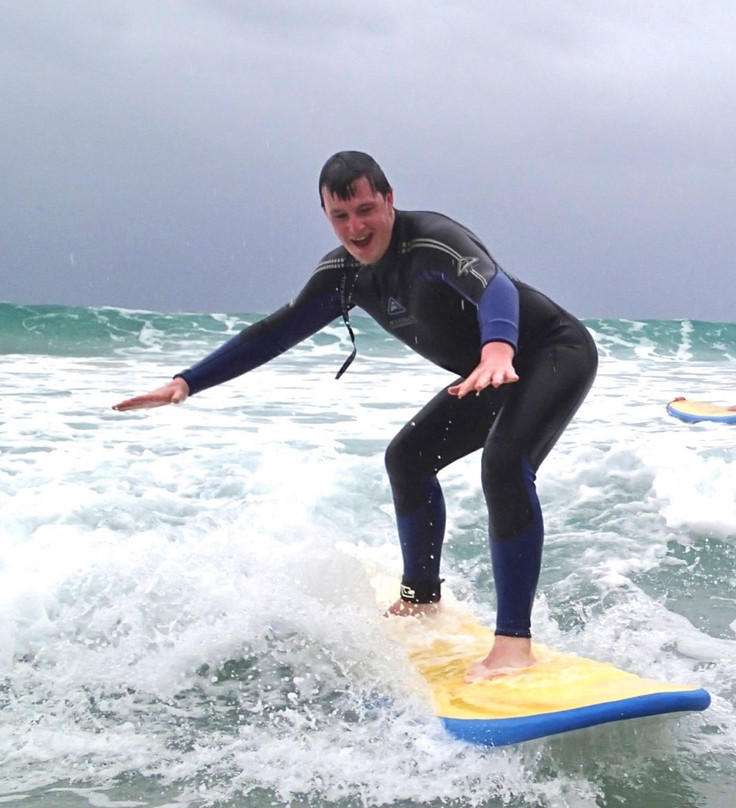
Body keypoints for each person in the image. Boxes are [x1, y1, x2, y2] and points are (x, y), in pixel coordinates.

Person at [113, 151, 598, 679]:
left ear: (389, 200)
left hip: (549, 352)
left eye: (366, 209)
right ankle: (420, 599)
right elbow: (276, 333)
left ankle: (513, 647)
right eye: (340, 216)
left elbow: (495, 286)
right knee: (408, 459)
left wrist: (499, 348)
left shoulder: (432, 239)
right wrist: (188, 382)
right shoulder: (343, 276)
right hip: (487, 370)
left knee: (504, 464)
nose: (356, 227)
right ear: (325, 214)